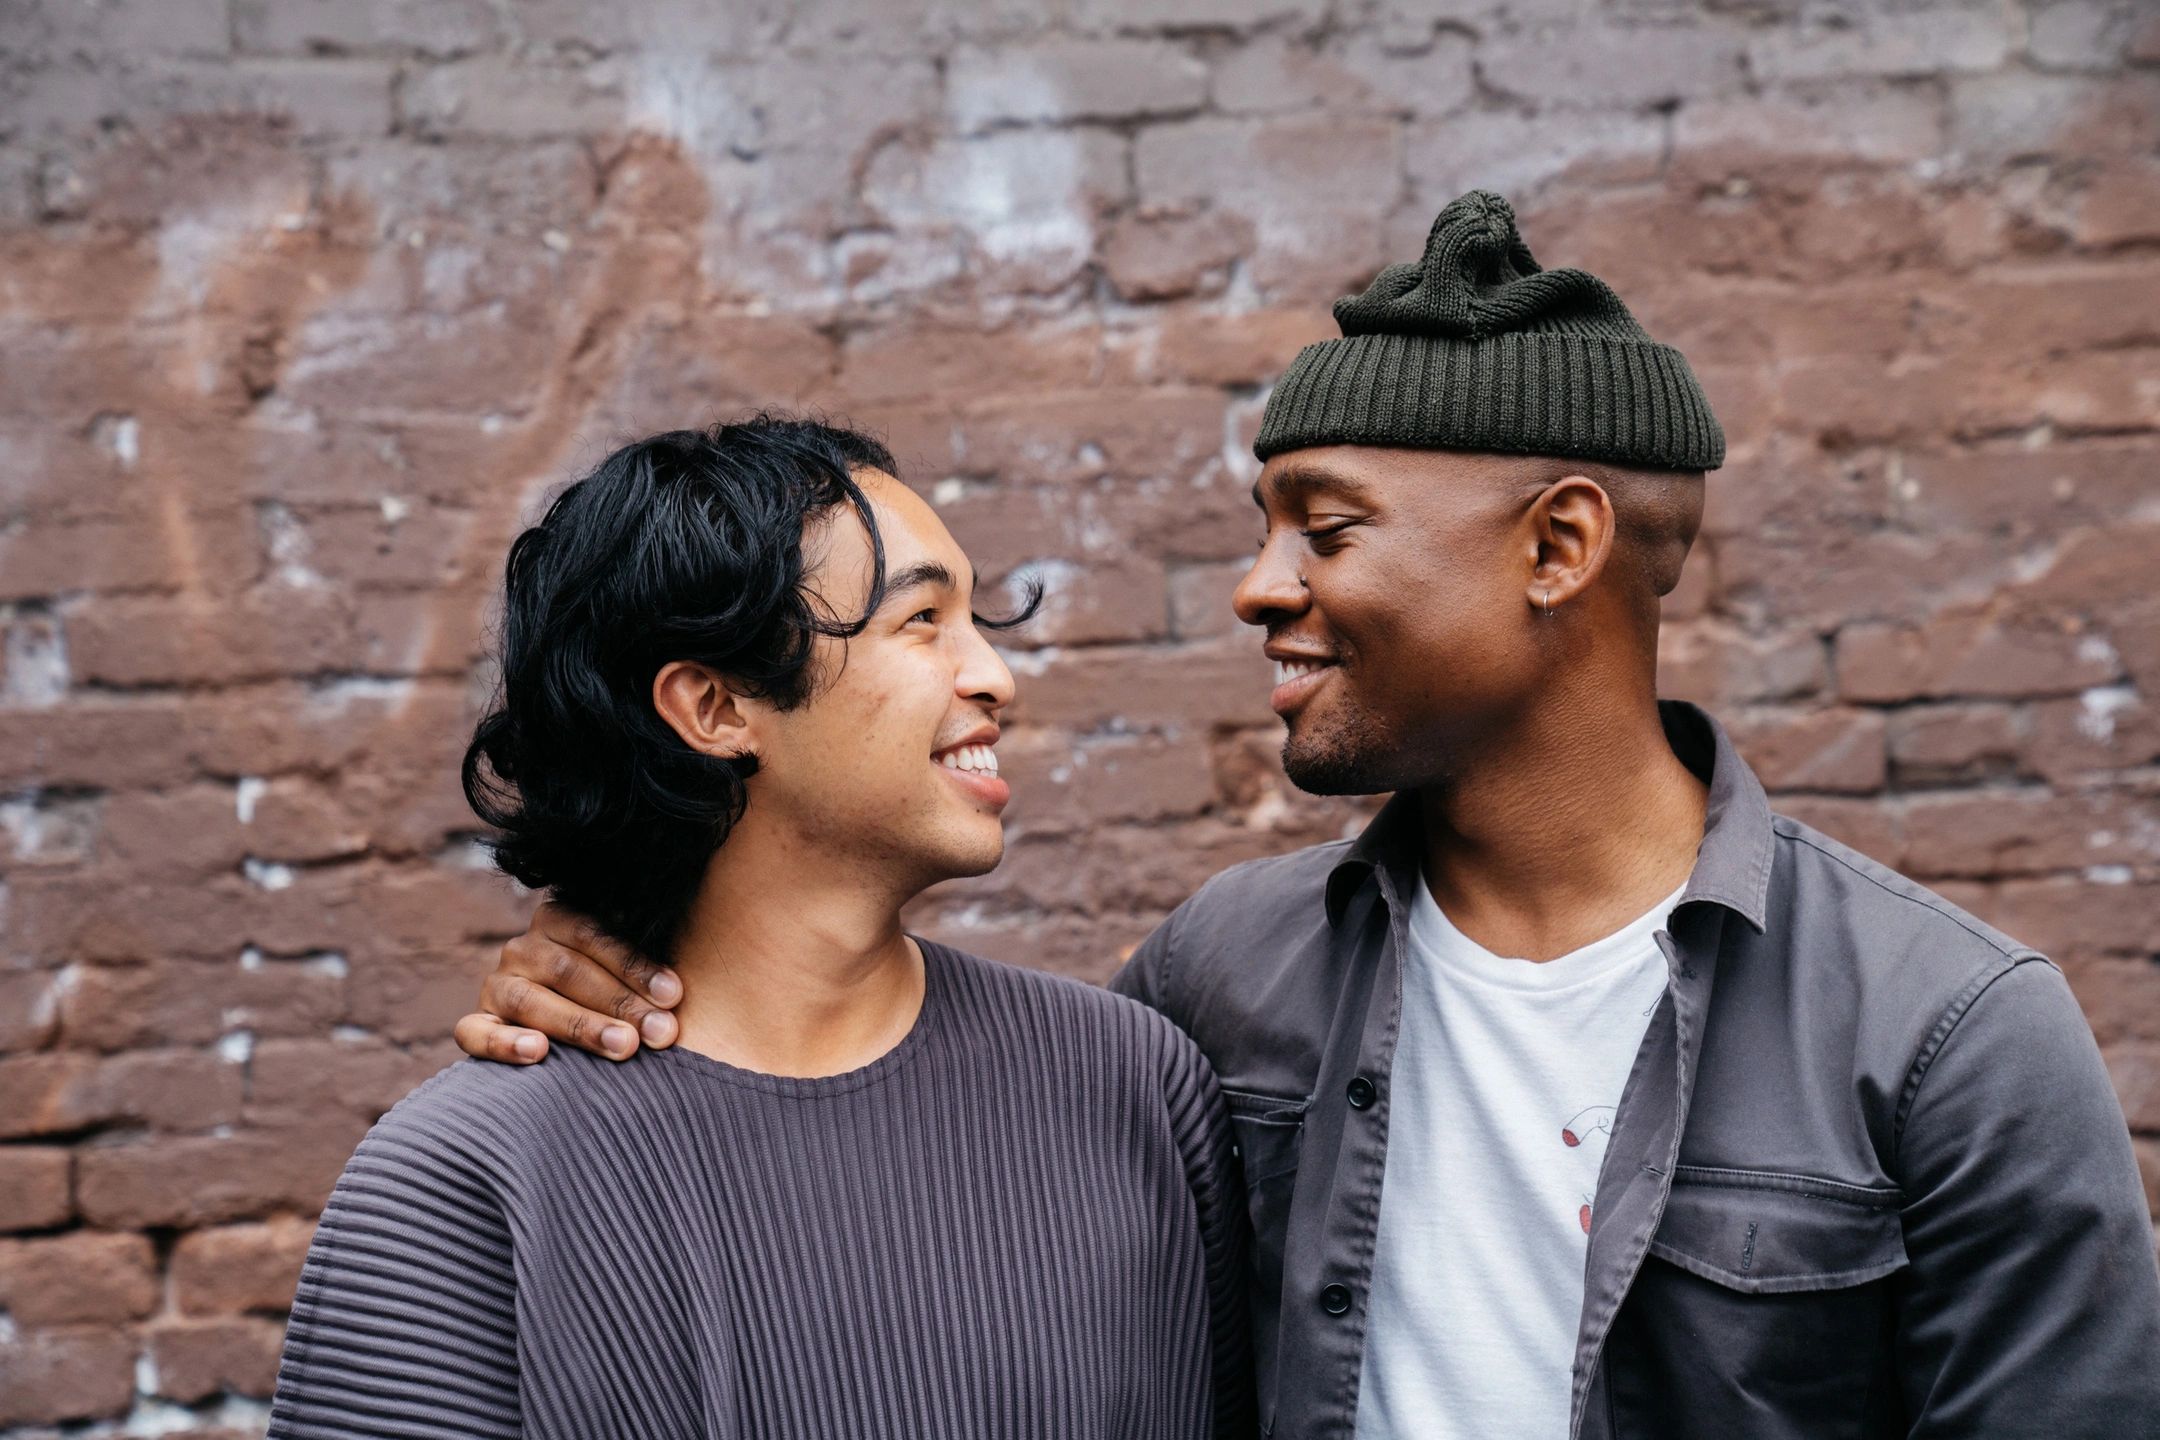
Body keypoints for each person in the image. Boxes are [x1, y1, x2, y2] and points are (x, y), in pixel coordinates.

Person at [453, 195, 2160, 1438]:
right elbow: (916, 1141)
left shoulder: (1947, 1042)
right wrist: (624, 934)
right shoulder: (1220, 984)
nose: (1262, 589)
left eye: (1324, 528)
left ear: (1558, 550)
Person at [266, 418, 1254, 1439]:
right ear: (715, 707)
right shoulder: (461, 1186)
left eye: (978, 618)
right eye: (920, 620)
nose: (995, 676)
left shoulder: (1133, 1087)